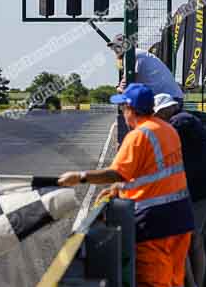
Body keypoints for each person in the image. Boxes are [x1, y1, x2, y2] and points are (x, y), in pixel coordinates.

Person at [58, 84, 194, 287]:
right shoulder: (168, 129)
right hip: (181, 219)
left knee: (153, 282)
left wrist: (80, 176)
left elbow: (117, 173)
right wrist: (121, 188)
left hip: (154, 225)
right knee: (174, 279)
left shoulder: (138, 136)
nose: (122, 113)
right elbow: (154, 173)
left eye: (122, 107)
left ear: (130, 109)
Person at [153, 93, 206, 287]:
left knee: (181, 243)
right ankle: (196, 283)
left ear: (166, 109)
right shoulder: (189, 120)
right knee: (196, 243)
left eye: (157, 114)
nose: (156, 119)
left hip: (196, 192)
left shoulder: (180, 123)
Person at [109, 34, 184, 107]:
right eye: (113, 47)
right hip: (170, 99)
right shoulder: (137, 53)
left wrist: (118, 88)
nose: (114, 50)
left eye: (117, 47)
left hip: (167, 101)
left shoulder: (131, 55)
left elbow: (126, 84)